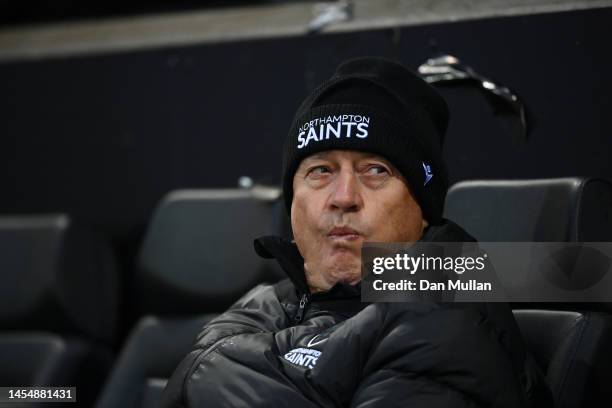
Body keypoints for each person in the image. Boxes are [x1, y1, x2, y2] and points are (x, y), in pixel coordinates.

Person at [160, 57, 552, 407]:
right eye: (321, 171)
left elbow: (199, 373)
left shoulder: (446, 313)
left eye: (376, 171)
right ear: (292, 202)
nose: (343, 197)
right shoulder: (266, 304)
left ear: (424, 210)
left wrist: (215, 376)